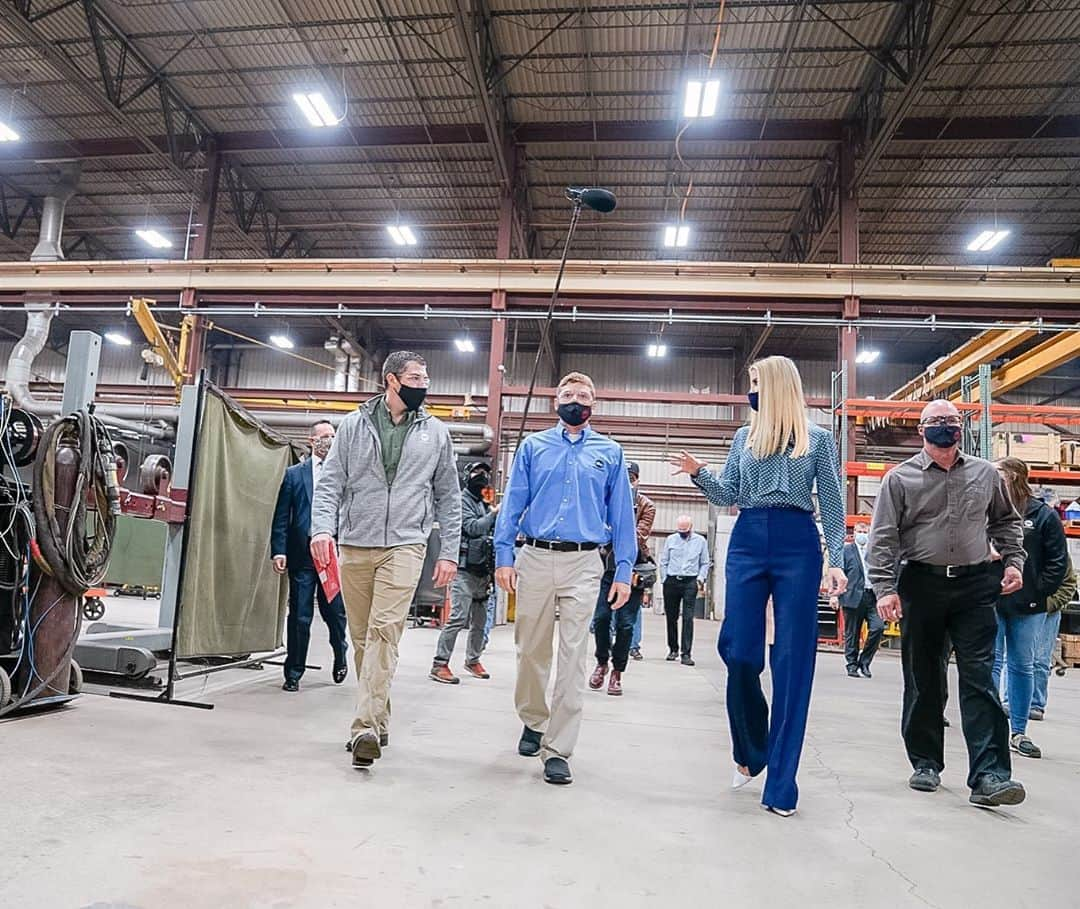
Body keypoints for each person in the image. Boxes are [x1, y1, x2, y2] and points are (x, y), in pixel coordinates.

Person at [671, 355, 846, 817]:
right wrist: (698, 473)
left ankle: (782, 784)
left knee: (793, 658)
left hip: (797, 543)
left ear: (776, 386)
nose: (750, 390)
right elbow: (728, 493)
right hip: (748, 539)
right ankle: (751, 751)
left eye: (754, 382)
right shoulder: (743, 436)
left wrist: (836, 561)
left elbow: (830, 500)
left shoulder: (819, 440)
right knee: (739, 650)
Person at [867, 399, 1027, 809]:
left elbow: (1006, 521)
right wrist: (885, 588)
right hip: (921, 584)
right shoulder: (898, 479)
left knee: (979, 678)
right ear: (921, 430)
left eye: (952, 421)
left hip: (975, 586)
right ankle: (925, 762)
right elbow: (883, 536)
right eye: (936, 422)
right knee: (924, 677)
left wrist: (1013, 561)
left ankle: (990, 775)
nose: (945, 427)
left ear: (962, 428)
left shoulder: (986, 474)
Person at [310, 351, 462, 768]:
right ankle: (381, 715)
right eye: (416, 377)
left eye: (426, 377)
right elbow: (330, 484)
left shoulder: (436, 433)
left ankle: (363, 728)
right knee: (361, 638)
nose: (424, 384)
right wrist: (322, 529)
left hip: (406, 545)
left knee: (383, 632)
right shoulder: (354, 426)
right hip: (356, 544)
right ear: (392, 381)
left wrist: (449, 551)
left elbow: (449, 496)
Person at [494, 371, 636, 786]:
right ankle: (534, 719)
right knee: (531, 650)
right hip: (535, 556)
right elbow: (513, 501)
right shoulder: (533, 446)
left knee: (574, 657)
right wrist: (504, 553)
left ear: (594, 403)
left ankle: (558, 748)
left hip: (583, 562)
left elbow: (622, 516)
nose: (575, 399)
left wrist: (623, 569)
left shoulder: (609, 453)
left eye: (583, 394)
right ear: (555, 399)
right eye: (568, 393)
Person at [990, 458, 1068, 759]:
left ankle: (1018, 731)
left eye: (998, 474)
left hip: (1029, 605)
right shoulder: (989, 511)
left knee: (1022, 665)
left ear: (1014, 477)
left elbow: (1058, 562)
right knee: (991, 663)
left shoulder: (1043, 515)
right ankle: (991, 726)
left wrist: (1037, 591)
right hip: (993, 600)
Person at [271, 420, 349, 692]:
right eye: (325, 436)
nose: (330, 440)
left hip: (332, 556)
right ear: (312, 440)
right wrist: (278, 550)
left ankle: (341, 654)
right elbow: (282, 516)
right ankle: (293, 672)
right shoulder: (295, 475)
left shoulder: (344, 473)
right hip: (302, 556)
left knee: (335, 615)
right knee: (300, 616)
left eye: (333, 436)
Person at [589, 460, 655, 695]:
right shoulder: (607, 501)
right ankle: (601, 662)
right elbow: (597, 531)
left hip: (633, 569)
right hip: (607, 567)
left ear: (637, 480)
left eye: (631, 478)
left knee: (626, 624)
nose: (627, 482)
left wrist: (617, 530)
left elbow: (638, 536)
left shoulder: (647, 505)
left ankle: (617, 672)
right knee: (601, 619)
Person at [430, 462, 499, 684]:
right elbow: (472, 527)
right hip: (464, 570)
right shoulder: (462, 501)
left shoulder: (484, 501)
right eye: (478, 473)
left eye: (486, 474)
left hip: (482, 570)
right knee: (457, 618)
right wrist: (494, 514)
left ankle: (473, 660)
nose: (482, 477)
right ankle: (440, 663)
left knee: (480, 621)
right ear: (467, 476)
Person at [832, 518, 885, 679]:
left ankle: (865, 662)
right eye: (859, 532)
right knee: (852, 633)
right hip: (852, 596)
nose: (862, 535)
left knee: (878, 627)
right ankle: (852, 664)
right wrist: (835, 595)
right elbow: (838, 573)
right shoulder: (846, 551)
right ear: (853, 534)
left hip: (872, 596)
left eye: (865, 532)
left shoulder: (875, 551)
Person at [659, 516, 710, 665]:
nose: (682, 533)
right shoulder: (671, 540)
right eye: (680, 531)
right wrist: (664, 579)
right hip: (672, 581)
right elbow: (664, 561)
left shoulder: (700, 541)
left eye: (685, 531)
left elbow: (705, 562)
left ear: (691, 528)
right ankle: (673, 649)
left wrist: (700, 579)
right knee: (671, 617)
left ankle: (686, 653)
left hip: (690, 581)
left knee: (688, 618)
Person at [1032, 555, 1076, 720]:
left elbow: (1069, 584)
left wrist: (1049, 605)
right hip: (1021, 609)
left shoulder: (1059, 552)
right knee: (1015, 658)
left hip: (1048, 611)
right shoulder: (1022, 545)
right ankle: (1009, 701)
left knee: (1041, 659)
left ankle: (1036, 704)